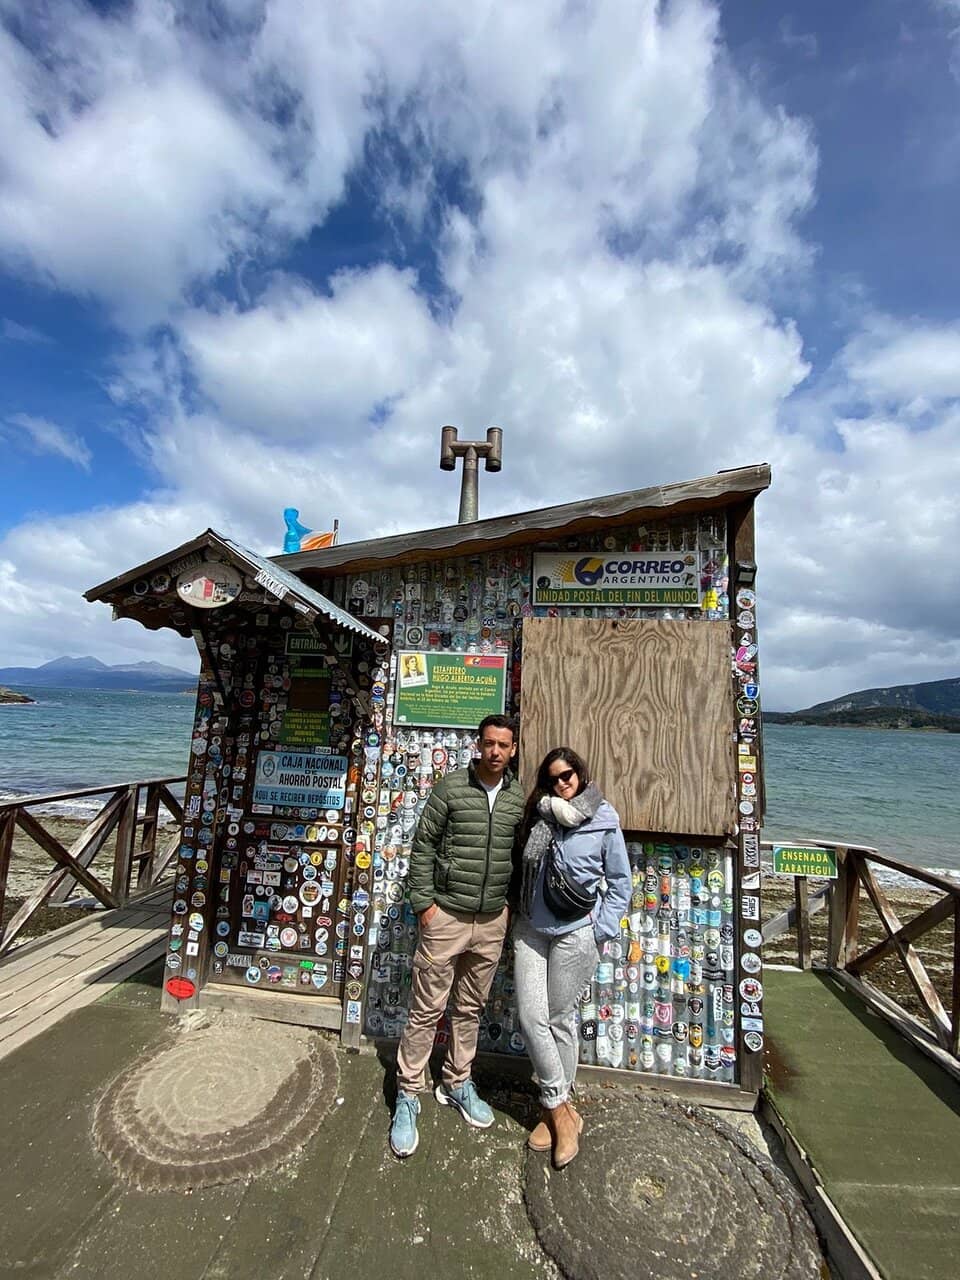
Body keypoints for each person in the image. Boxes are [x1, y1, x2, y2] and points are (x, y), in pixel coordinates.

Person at [389, 713, 525, 1158]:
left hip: (490, 922)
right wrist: (424, 905)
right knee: (426, 1010)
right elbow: (423, 844)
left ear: (513, 750)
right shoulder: (451, 788)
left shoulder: (517, 797)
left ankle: (457, 1081)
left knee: (470, 1008)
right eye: (489, 743)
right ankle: (408, 1092)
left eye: (503, 745)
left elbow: (520, 854)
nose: (495, 751)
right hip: (446, 916)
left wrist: (507, 905)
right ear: (478, 745)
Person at [513, 747, 630, 1168]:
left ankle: (552, 1114)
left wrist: (599, 930)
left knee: (560, 1019)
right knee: (532, 1018)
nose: (561, 783)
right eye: (552, 778)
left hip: (576, 932)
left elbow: (620, 882)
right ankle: (562, 1111)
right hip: (530, 928)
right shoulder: (537, 815)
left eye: (567, 775)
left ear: (580, 774)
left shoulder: (603, 818)